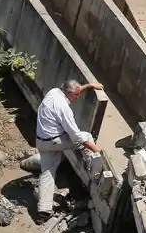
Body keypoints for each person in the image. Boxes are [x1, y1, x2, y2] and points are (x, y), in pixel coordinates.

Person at [34, 80, 104, 224]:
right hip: (55, 141)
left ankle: (43, 211)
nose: (78, 97)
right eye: (76, 94)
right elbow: (76, 137)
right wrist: (98, 150)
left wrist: (89, 86)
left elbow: (73, 89)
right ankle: (93, 166)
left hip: (41, 140)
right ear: (70, 93)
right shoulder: (64, 109)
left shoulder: (54, 92)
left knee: (47, 173)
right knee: (86, 136)